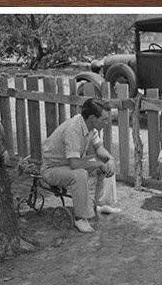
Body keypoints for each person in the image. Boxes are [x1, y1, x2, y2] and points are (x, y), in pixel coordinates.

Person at [41, 97, 117, 234]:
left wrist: (109, 159)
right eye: (104, 119)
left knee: (105, 161)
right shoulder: (74, 128)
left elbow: (99, 149)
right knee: (80, 174)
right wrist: (98, 164)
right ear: (93, 118)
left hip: (68, 164)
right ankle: (80, 218)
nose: (107, 122)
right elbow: (75, 164)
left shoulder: (90, 127)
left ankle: (102, 203)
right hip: (53, 168)